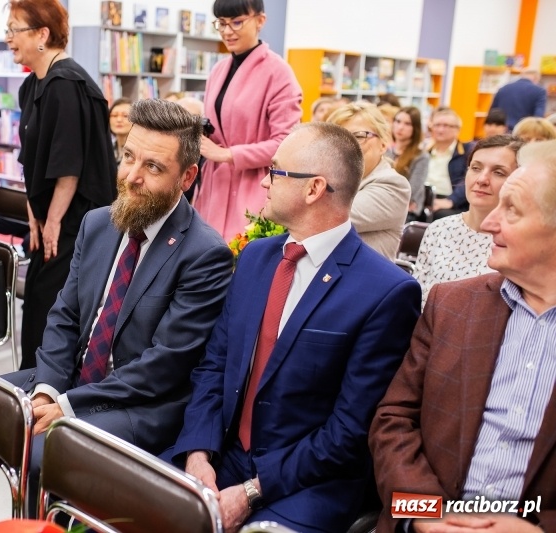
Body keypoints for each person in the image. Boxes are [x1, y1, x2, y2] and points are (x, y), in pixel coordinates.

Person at [171, 122, 421, 533]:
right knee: (133, 505)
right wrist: (199, 454)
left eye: (275, 171)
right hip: (225, 457)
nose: (265, 181)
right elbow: (215, 366)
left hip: (308, 483)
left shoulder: (386, 291)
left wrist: (252, 490)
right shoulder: (256, 258)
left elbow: (348, 431)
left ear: (313, 189)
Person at [3, 99, 232, 512]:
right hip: (71, 379)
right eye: (128, 157)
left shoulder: (205, 254)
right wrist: (46, 391)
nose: (132, 177)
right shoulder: (98, 223)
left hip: (139, 403)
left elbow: (165, 365)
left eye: (154, 167)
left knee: (41, 450)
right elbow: (65, 317)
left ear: (187, 177)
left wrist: (67, 406)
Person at [369, 139, 556, 533]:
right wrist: (421, 513)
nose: (489, 222)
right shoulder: (453, 304)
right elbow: (393, 421)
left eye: (513, 210)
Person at [6, 0, 117, 369]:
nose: (9, 39)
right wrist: (34, 215)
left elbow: (69, 167)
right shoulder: (31, 86)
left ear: (42, 34)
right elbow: (30, 160)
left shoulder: (66, 84)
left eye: (14, 30)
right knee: (36, 302)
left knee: (48, 305)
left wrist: (51, 221)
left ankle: (43, 395)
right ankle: (29, 390)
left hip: (77, 219)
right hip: (52, 214)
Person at [192, 0, 302, 242]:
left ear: (260, 20)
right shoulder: (218, 70)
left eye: (237, 22)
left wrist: (228, 154)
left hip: (255, 185)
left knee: (242, 259)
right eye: (221, 23)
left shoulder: (279, 72)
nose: (227, 31)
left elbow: (286, 142)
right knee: (206, 257)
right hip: (214, 183)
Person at [414, 135, 523, 307]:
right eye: (476, 168)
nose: (481, 180)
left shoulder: (518, 242)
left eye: (498, 172)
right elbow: (417, 300)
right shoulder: (439, 229)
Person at [327, 102, 411, 260]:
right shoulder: (332, 179)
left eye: (359, 136)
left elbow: (329, 218)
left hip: (363, 282)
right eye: (338, 138)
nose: (348, 146)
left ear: (383, 143)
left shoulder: (393, 185)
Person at [425, 107, 473, 219]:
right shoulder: (425, 151)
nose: (440, 130)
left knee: (440, 216)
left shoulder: (466, 151)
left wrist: (451, 200)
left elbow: (468, 180)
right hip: (425, 197)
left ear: (457, 129)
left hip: (451, 200)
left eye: (446, 126)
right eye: (437, 125)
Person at [388, 106, 429, 219]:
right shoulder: (386, 151)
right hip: (383, 204)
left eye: (407, 124)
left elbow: (411, 190)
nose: (400, 127)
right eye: (398, 121)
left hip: (407, 211)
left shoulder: (421, 157)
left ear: (415, 128)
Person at [108, 97, 132, 165]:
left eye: (125, 116)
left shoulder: (139, 151)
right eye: (115, 115)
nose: (119, 120)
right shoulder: (107, 149)